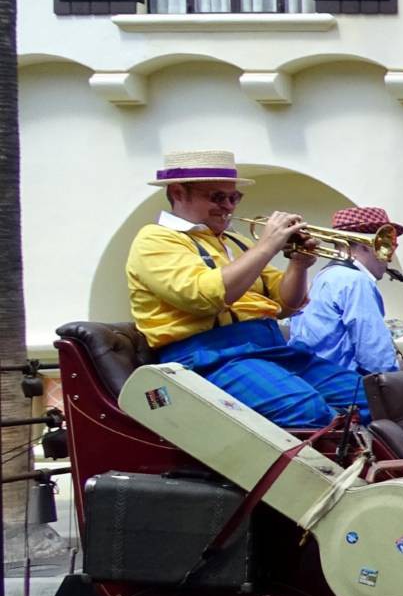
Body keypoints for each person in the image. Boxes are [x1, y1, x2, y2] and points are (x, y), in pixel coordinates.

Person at [125, 149, 369, 426]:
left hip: (267, 347)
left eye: (234, 197)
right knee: (304, 409)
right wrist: (267, 246)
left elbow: (286, 304)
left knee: (367, 396)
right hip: (206, 357)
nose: (229, 206)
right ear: (179, 193)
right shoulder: (155, 240)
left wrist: (299, 264)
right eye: (217, 197)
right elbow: (204, 297)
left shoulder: (236, 241)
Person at [287, 206, 403, 379]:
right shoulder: (355, 281)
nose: (390, 257)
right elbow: (375, 361)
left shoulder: (326, 276)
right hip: (344, 384)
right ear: (366, 245)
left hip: (316, 378)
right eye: (388, 245)